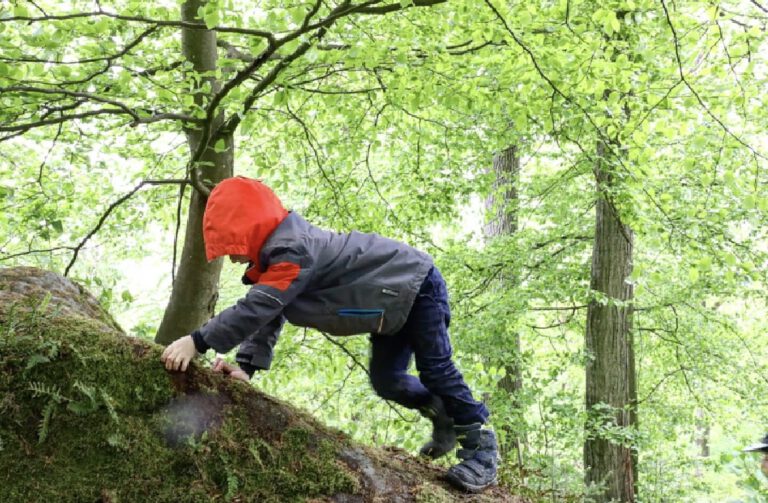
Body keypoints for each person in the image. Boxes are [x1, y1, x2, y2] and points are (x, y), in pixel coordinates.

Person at [160, 176, 498, 492]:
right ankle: (441, 410)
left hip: (416, 285)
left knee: (436, 368)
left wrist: (197, 341)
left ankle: (481, 447)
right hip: (388, 307)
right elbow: (269, 313)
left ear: (249, 229)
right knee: (387, 381)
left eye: (233, 246)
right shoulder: (278, 259)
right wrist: (245, 368)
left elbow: (257, 308)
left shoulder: (293, 250)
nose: (233, 258)